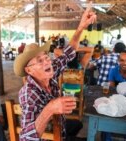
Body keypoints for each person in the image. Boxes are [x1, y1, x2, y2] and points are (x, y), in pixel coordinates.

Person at [13, 3, 96, 140]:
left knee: (77, 124)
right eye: (40, 61)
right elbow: (26, 138)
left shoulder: (49, 73)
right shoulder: (29, 93)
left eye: (47, 57)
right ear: (29, 70)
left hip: (59, 127)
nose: (47, 61)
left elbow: (69, 52)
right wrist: (50, 108)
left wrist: (81, 27)